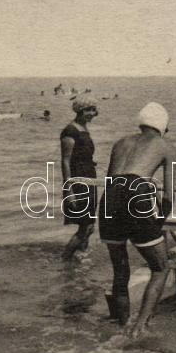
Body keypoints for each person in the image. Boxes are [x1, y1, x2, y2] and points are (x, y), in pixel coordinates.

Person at [98, 102, 176, 338]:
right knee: (161, 267)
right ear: (162, 127)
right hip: (136, 191)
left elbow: (114, 180)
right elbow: (169, 196)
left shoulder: (120, 143)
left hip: (110, 194)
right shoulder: (166, 146)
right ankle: (140, 327)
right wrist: (158, 224)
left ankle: (122, 327)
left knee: (120, 270)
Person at [60, 95, 100, 261]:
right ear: (79, 110)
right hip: (77, 182)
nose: (92, 113)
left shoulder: (83, 128)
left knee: (89, 225)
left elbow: (82, 155)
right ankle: (65, 259)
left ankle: (81, 258)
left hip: (89, 179)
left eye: (93, 110)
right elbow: (65, 161)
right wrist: (68, 190)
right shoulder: (70, 131)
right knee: (86, 227)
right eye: (88, 110)